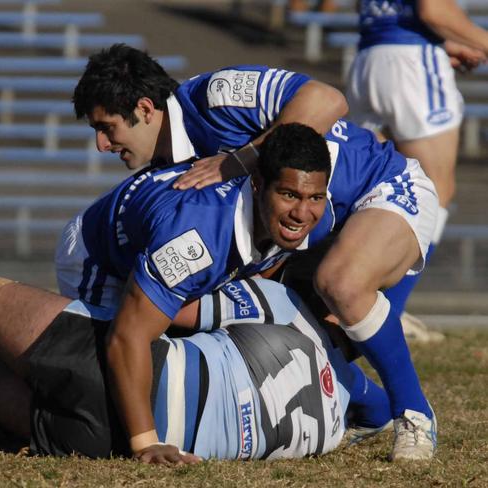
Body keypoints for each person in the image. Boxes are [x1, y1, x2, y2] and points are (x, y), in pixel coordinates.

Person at [55, 117, 439, 462]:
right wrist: (146, 444)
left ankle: (404, 409)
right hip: (99, 261)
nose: (302, 212)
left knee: (311, 300)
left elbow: (325, 101)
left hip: (394, 186)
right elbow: (128, 336)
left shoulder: (306, 207)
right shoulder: (195, 241)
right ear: (257, 184)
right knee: (99, 382)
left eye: (314, 198)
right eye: (289, 195)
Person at [0, 256, 392, 462]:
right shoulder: (330, 433)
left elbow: (168, 307)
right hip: (96, 446)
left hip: (124, 381)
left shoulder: (283, 306)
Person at [346, 0, 488, 339]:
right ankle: (387, 313)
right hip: (411, 62)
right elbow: (433, 10)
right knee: (435, 188)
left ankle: (350, 304)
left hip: (369, 57)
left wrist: (441, 42)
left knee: (367, 187)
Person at [72, 43, 347, 185]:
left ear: (144, 109)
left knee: (339, 283)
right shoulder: (169, 169)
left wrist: (239, 161)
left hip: (372, 184)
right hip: (320, 231)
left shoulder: (215, 94)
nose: (101, 145)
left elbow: (327, 100)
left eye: (106, 127)